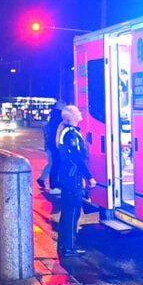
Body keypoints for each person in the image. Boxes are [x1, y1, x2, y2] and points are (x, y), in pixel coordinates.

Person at [55, 105, 96, 256]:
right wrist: (89, 176)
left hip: (69, 176)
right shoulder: (71, 134)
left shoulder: (67, 131)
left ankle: (63, 245)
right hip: (73, 177)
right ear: (71, 116)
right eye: (77, 112)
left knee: (67, 211)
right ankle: (69, 248)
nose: (80, 113)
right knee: (72, 212)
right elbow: (77, 158)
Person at [37, 100, 65, 193]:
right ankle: (53, 185)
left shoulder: (53, 117)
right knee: (54, 164)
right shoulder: (59, 118)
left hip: (50, 145)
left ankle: (44, 180)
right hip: (54, 145)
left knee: (53, 164)